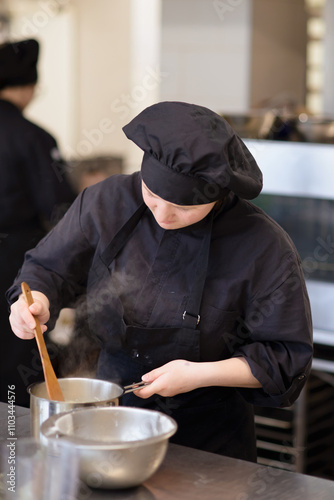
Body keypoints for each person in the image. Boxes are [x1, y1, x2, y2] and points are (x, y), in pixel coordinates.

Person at [7, 101, 313, 461]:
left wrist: (197, 374)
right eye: (152, 196)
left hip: (210, 441)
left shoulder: (261, 245)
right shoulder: (107, 201)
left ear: (216, 194)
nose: (164, 214)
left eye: (182, 207)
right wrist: (35, 300)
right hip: (109, 418)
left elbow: (285, 358)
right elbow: (49, 267)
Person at [0, 39, 76, 407]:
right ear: (29, 87)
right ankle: (17, 441)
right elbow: (61, 209)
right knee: (17, 349)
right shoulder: (34, 137)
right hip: (14, 260)